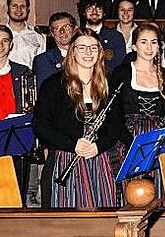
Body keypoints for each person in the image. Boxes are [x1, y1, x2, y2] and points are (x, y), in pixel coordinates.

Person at [32, 28, 124, 207]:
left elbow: (116, 125)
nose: (88, 53)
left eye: (93, 48)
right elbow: (41, 125)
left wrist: (98, 146)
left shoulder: (109, 83)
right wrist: (73, 144)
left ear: (100, 52)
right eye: (82, 47)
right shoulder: (53, 84)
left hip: (101, 161)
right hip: (65, 160)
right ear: (72, 51)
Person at [110, 24, 165, 198]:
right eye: (143, 42)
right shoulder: (122, 73)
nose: (149, 47)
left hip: (158, 141)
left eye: (154, 42)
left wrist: (161, 142)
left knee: (157, 192)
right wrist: (131, 142)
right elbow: (113, 112)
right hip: (127, 140)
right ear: (134, 46)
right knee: (130, 193)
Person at [0, 25, 33, 204]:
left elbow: (31, 106)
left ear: (11, 45)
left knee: (16, 193)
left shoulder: (23, 72)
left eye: (5, 40)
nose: (0, 45)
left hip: (14, 136)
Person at [77, 0, 127, 71]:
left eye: (98, 8)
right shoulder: (76, 36)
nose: (94, 12)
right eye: (89, 9)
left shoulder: (115, 36)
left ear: (104, 12)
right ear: (83, 12)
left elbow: (120, 66)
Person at [33, 12, 77, 85]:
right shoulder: (43, 61)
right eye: (56, 28)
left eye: (66, 27)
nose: (62, 31)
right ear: (52, 34)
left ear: (74, 30)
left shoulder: (86, 55)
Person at [6, 0, 46, 68]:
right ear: (8, 8)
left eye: (23, 6)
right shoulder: (0, 35)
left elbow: (42, 65)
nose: (19, 10)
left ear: (28, 10)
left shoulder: (38, 37)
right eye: (14, 6)